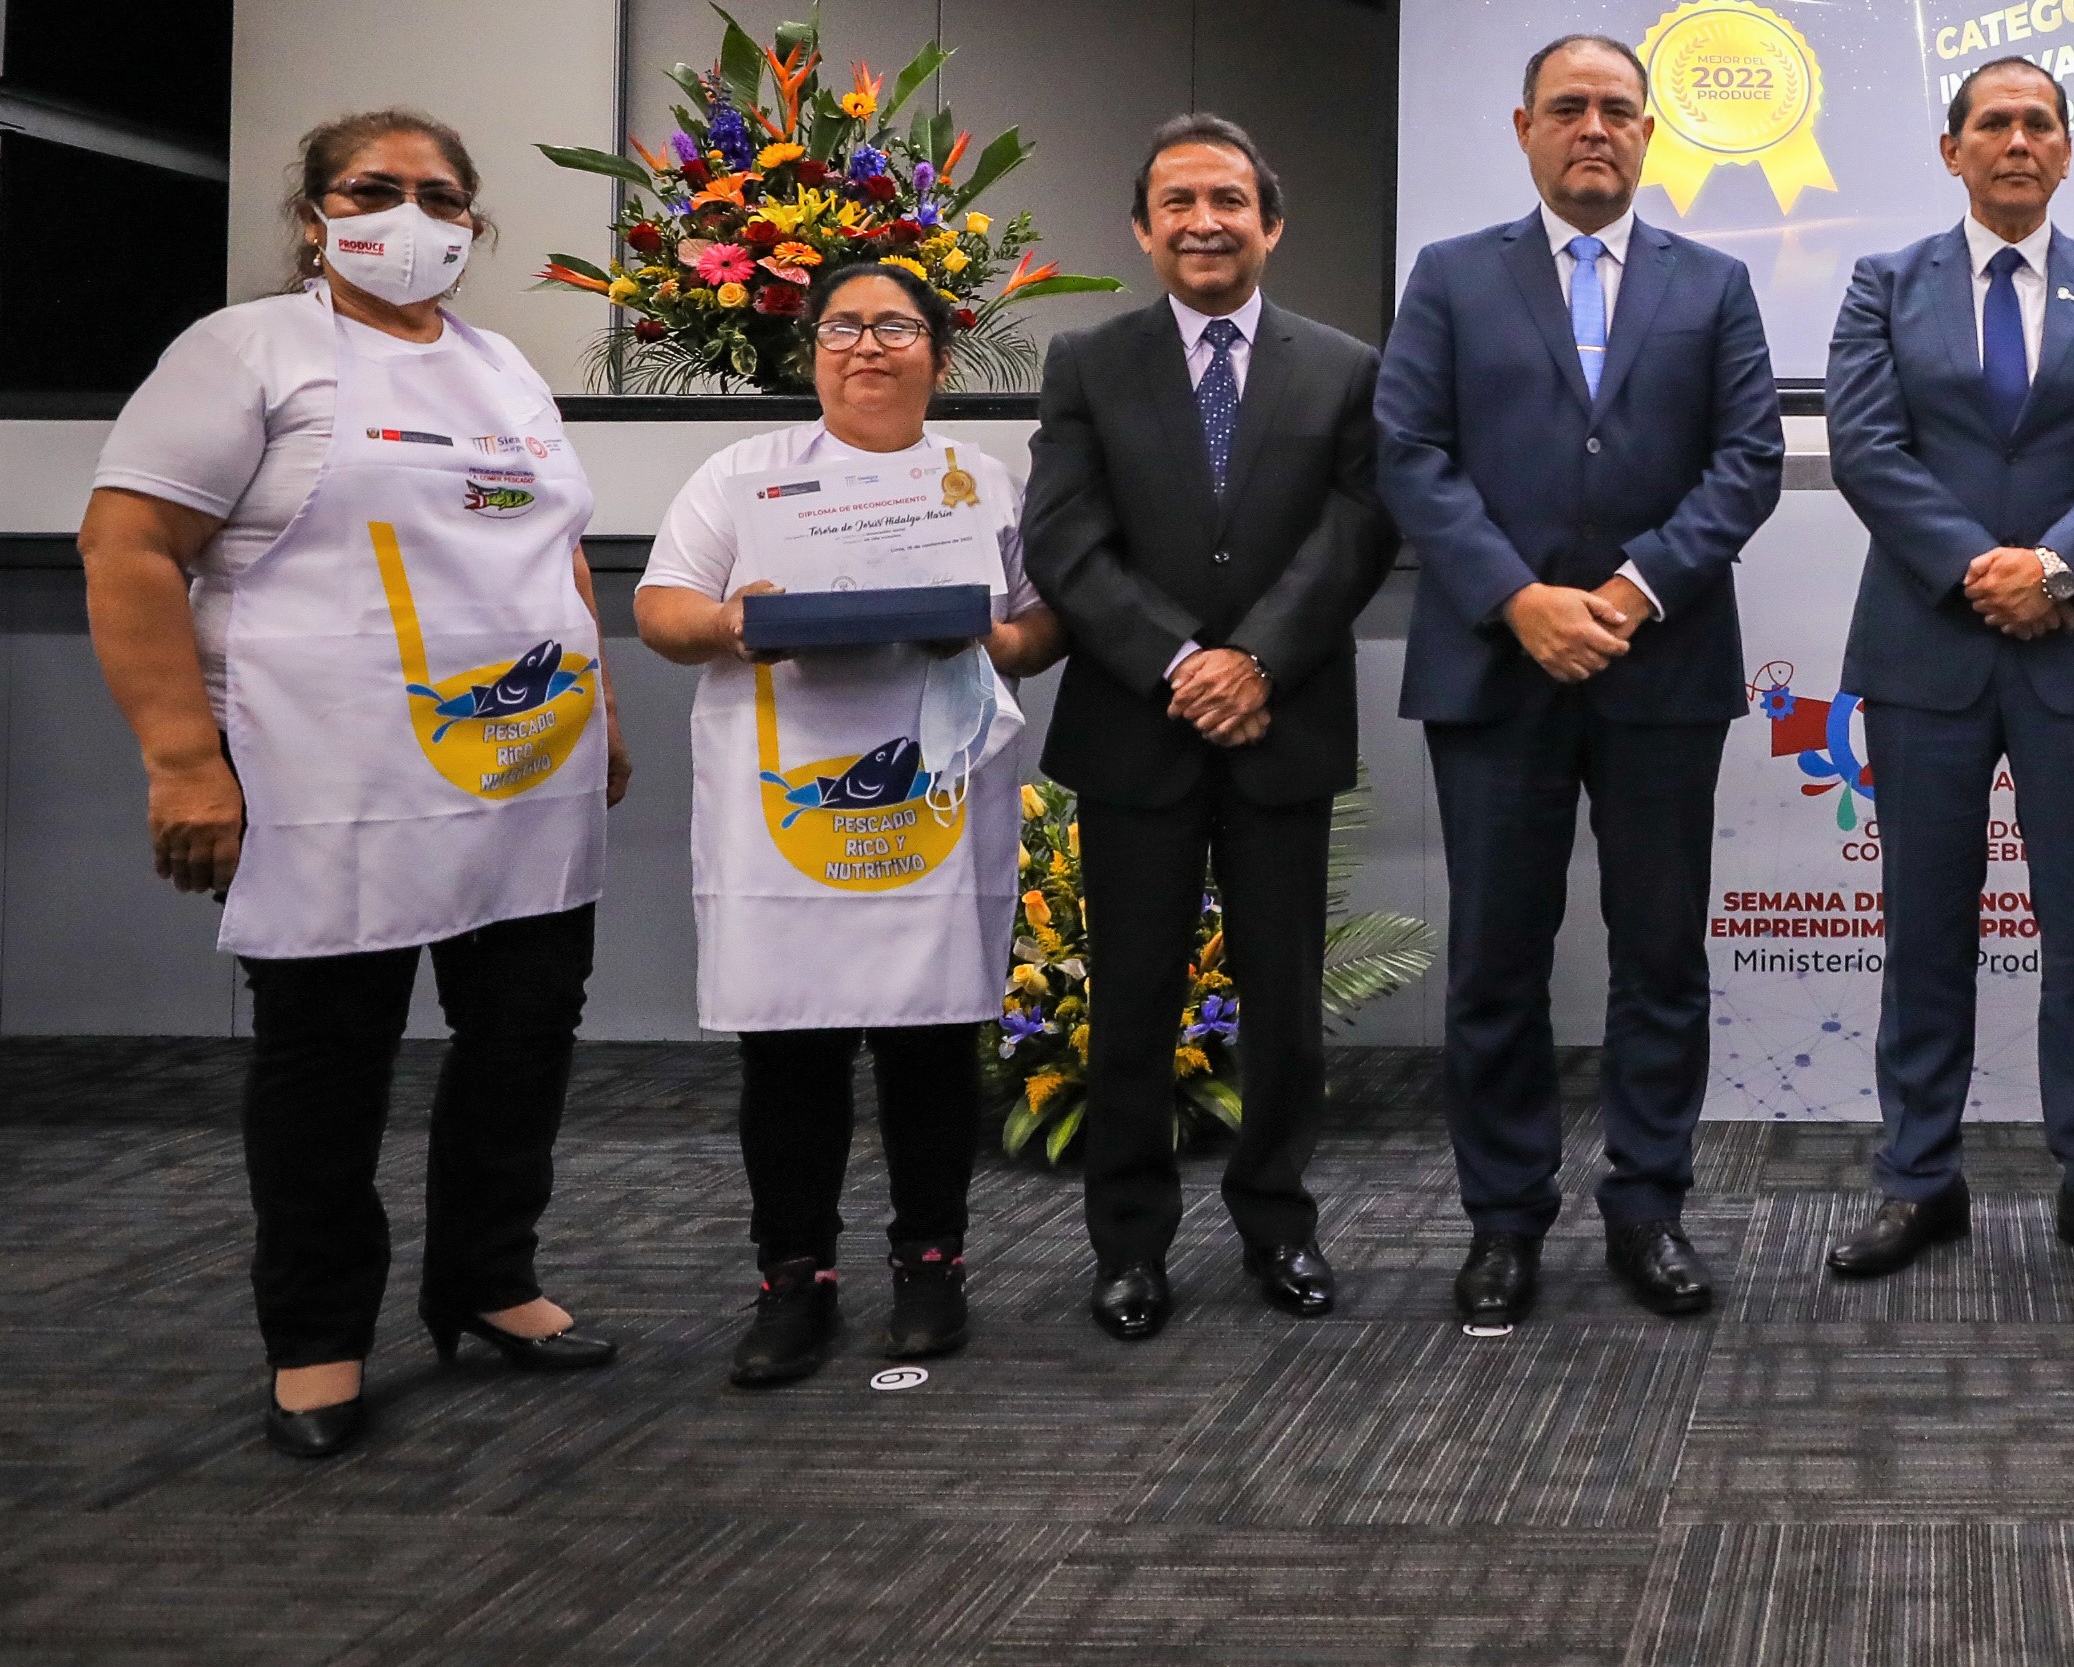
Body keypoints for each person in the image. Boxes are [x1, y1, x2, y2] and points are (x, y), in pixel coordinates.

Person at [81, 110, 630, 1460]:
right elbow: (128, 544)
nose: (410, 215)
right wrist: (180, 759)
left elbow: (557, 559)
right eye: (373, 189)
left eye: (441, 195)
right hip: (325, 780)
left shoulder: (503, 368)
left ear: (473, 222)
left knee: (521, 1046)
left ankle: (490, 1281)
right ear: (315, 212)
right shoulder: (246, 351)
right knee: (329, 1066)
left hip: (520, 772)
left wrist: (599, 708)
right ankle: (317, 1338)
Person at [1376, 33, 1784, 1328]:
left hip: (1660, 667)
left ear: (1651, 132)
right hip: (1497, 669)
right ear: (1524, 127)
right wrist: (1520, 599)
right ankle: (1503, 1222)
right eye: (1569, 108)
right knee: (1498, 956)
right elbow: (1411, 454)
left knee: (1661, 954)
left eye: (1617, 108)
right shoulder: (1449, 278)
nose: (1593, 127)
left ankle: (1650, 1206)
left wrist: (1624, 592)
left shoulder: (1713, 285)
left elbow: (1749, 460)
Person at [636, 264, 1066, 1384]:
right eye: (841, 326)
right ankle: (793, 1277)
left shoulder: (983, 480)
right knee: (791, 1049)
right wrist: (735, 625)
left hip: (933, 798)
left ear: (941, 352)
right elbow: (661, 610)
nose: (865, 346)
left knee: (930, 1041)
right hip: (784, 800)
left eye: (893, 326)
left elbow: (1037, 625)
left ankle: (931, 1264)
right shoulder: (742, 475)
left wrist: (978, 641)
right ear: (810, 349)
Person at [1024, 116, 1396, 1340]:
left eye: (1228, 199)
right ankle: (1127, 1247)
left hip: (1279, 722)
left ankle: (1278, 1226)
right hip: (1140, 723)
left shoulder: (1344, 366)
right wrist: (1185, 662)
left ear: (1270, 222)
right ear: (1141, 228)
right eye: (1177, 201)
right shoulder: (1086, 360)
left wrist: (1258, 661)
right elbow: (1064, 541)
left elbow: (1356, 531)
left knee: (1282, 1001)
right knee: (1130, 997)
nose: (1204, 220)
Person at [1820, 54, 2074, 1287]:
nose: (2016, 141)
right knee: (1921, 924)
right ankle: (1918, 1180)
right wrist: (1982, 567)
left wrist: (2060, 570)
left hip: (2073, 651)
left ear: (2068, 151)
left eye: (2038, 124)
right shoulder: (1883, 284)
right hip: (1925, 647)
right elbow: (1866, 449)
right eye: (1992, 124)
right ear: (1951, 150)